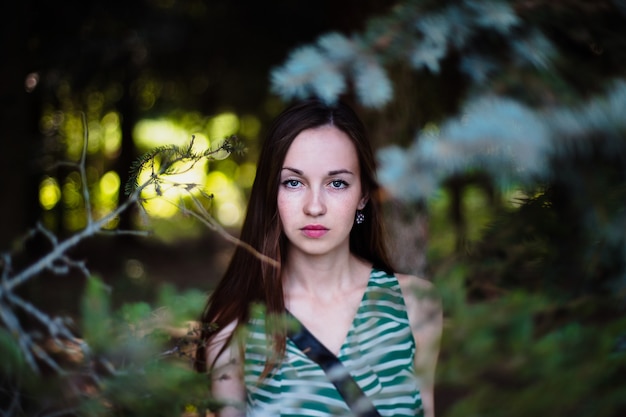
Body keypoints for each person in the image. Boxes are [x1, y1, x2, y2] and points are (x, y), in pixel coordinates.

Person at [195, 98, 442, 417]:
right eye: (294, 182)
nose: (315, 206)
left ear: (363, 195)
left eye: (337, 183)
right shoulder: (235, 322)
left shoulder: (416, 304)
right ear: (273, 193)